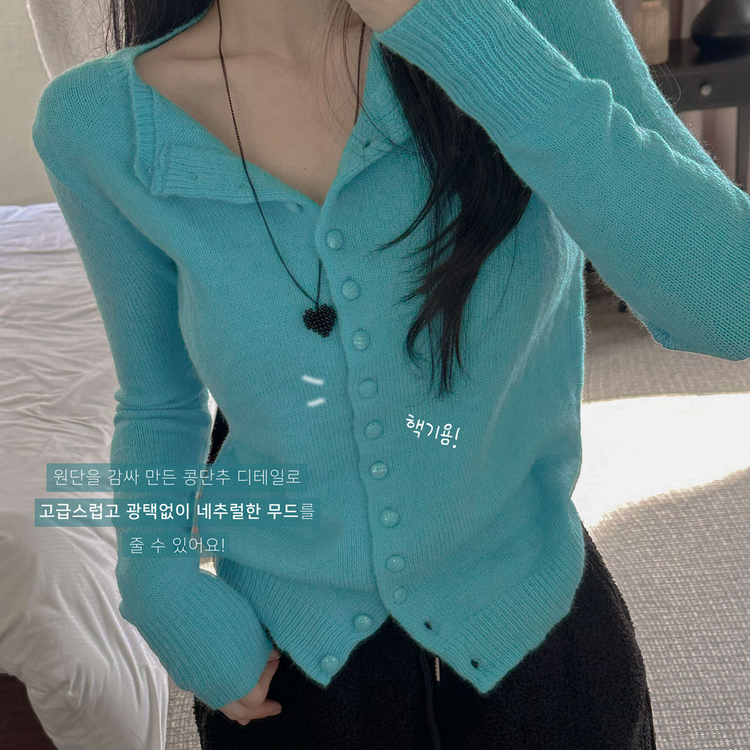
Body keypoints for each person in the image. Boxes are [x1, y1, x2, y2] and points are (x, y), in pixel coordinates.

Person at [31, 0, 749, 747]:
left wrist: (450, 27)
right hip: (289, 668)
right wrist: (160, 579)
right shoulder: (98, 123)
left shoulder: (533, 14)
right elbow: (158, 399)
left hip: (540, 644)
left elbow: (730, 304)